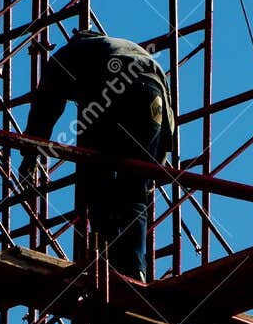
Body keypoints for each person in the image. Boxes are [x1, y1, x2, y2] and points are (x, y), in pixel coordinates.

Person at [17, 28, 176, 278]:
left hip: (107, 89)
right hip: (150, 92)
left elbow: (45, 107)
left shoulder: (69, 54)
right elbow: (166, 122)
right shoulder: (127, 46)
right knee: (135, 190)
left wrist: (30, 154)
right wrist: (153, 168)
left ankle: (107, 263)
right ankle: (134, 268)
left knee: (96, 182)